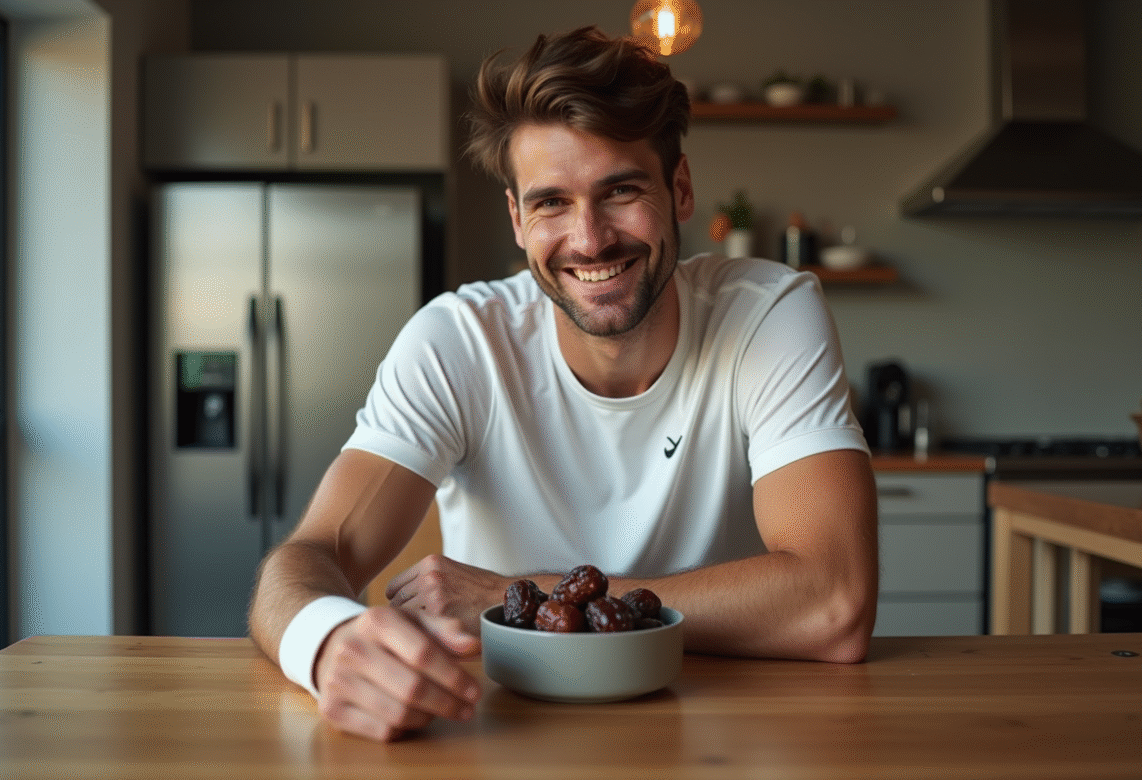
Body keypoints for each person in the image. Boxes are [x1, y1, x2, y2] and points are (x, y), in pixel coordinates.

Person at [248, 25, 878, 742]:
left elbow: (834, 604)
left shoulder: (770, 314)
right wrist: (327, 643)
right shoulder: (458, 340)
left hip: (720, 729)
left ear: (679, 189)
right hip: (501, 732)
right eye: (551, 202)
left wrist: (514, 598)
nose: (589, 239)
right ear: (517, 219)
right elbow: (305, 559)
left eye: (621, 190)